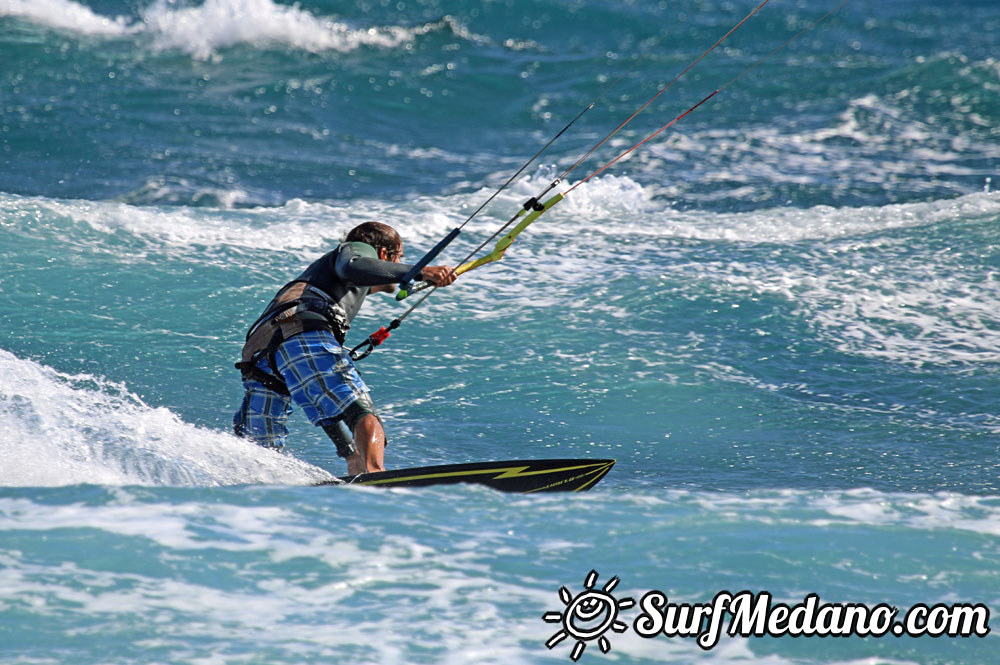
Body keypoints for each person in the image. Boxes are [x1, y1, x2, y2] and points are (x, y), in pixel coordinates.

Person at [233, 221, 457, 475]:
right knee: (362, 410)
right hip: (298, 331)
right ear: (383, 255)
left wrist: (349, 454)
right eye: (398, 258)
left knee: (259, 452)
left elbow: (323, 398)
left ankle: (258, 489)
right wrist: (421, 271)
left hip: (264, 357)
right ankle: (375, 474)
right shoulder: (354, 252)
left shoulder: (328, 281)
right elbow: (354, 266)